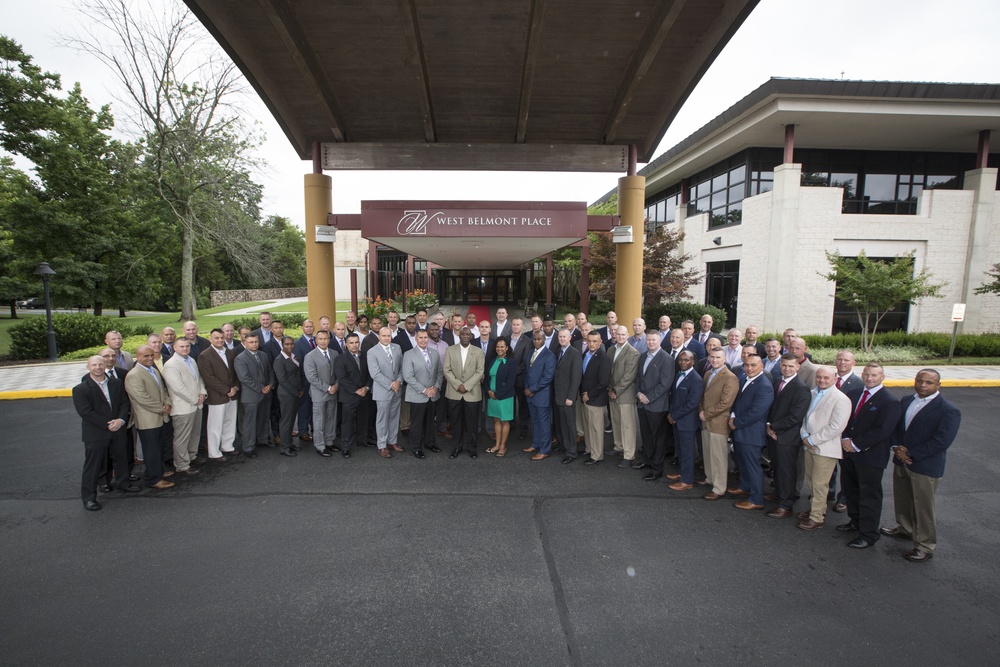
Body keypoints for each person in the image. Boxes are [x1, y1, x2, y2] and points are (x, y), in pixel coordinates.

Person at [882, 369, 961, 562]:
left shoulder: (948, 410)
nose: (923, 385)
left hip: (925, 466)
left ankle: (925, 545)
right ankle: (905, 528)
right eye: (920, 381)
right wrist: (896, 448)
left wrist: (911, 454)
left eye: (929, 382)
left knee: (923, 506)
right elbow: (897, 427)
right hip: (901, 460)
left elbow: (941, 441)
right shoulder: (907, 400)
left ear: (938, 386)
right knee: (903, 498)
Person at [838, 362, 902, 549]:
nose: (869, 378)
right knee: (851, 490)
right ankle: (855, 522)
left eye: (874, 375)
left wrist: (855, 444)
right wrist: (846, 440)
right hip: (849, 452)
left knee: (869, 496)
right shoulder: (854, 394)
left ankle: (868, 534)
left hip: (870, 457)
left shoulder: (890, 401)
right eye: (866, 374)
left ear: (882, 377)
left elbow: (883, 431)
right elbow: (846, 419)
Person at [73, 355, 137, 510]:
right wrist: (108, 424)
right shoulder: (80, 389)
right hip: (96, 434)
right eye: (94, 365)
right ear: (88, 367)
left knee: (121, 458)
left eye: (100, 364)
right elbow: (86, 413)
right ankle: (89, 497)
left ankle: (124, 484)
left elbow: (124, 403)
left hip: (118, 429)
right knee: (93, 466)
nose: (98, 367)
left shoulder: (116, 383)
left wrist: (121, 420)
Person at [796, 366, 852, 531]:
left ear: (834, 378)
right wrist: (804, 435)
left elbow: (836, 427)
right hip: (808, 443)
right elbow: (805, 418)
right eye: (819, 377)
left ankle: (817, 518)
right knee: (812, 481)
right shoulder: (813, 393)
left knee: (820, 484)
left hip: (825, 448)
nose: (821, 380)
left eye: (826, 378)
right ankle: (816, 508)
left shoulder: (841, 399)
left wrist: (812, 439)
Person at [764, 354, 811, 518]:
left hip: (787, 438)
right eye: (784, 365)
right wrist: (769, 426)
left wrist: (774, 427)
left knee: (787, 472)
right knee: (777, 468)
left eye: (791, 366)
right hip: (774, 434)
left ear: (797, 367)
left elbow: (795, 417)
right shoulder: (778, 381)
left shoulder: (801, 388)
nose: (787, 368)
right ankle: (778, 492)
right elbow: (773, 407)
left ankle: (786, 505)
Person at [124, 345, 175, 490]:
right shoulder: (134, 375)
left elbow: (163, 390)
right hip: (148, 420)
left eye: (151, 355)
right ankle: (154, 479)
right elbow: (141, 398)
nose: (149, 358)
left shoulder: (153, 370)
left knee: (158, 448)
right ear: (137, 357)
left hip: (160, 417)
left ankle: (155, 472)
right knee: (151, 450)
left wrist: (167, 402)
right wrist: (161, 408)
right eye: (145, 356)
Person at [727, 355, 774, 510]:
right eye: (746, 365)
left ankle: (756, 499)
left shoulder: (764, 386)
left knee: (753, 466)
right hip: (740, 431)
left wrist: (736, 423)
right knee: (742, 462)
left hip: (750, 434)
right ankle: (744, 486)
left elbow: (756, 412)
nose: (749, 368)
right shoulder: (744, 379)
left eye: (753, 365)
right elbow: (737, 402)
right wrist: (733, 416)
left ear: (762, 366)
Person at [161, 338, 207, 475]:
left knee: (195, 433)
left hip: (196, 404)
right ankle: (182, 465)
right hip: (183, 407)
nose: (185, 349)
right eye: (181, 346)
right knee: (182, 437)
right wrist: (195, 399)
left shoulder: (191, 360)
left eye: (187, 346)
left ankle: (192, 455)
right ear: (174, 348)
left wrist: (202, 393)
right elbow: (178, 387)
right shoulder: (171, 365)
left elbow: (198, 379)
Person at [699, 348, 739, 500]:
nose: (714, 360)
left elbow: (726, 403)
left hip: (718, 423)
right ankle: (710, 478)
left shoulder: (730, 378)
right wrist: (701, 411)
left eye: (718, 357)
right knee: (708, 453)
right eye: (712, 357)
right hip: (705, 420)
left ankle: (719, 488)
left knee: (719, 457)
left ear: (725, 359)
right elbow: (703, 396)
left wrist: (706, 414)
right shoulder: (708, 373)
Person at [635, 330, 674, 480]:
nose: (650, 342)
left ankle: (657, 469)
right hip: (642, 404)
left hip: (657, 406)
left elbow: (665, 384)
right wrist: (638, 394)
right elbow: (638, 378)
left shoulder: (666, 359)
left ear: (659, 341)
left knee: (658, 439)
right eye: (649, 340)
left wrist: (649, 398)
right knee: (646, 436)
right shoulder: (643, 356)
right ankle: (648, 461)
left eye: (654, 340)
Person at [197, 328, 240, 460]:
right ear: (210, 339)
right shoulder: (204, 355)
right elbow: (209, 378)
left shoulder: (230, 353)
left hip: (232, 394)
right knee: (215, 425)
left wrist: (235, 387)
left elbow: (235, 373)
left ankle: (227, 446)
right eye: (216, 338)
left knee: (230, 421)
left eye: (221, 338)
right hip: (217, 396)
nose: (220, 340)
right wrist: (226, 390)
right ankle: (214, 452)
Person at [402, 329, 445, 459]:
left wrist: (436, 387)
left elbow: (439, 372)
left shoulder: (434, 353)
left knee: (430, 422)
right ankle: (416, 447)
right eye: (420, 338)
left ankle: (429, 443)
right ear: (416, 339)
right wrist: (424, 390)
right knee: (416, 423)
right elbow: (408, 376)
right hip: (418, 395)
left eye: (425, 337)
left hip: (432, 395)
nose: (423, 340)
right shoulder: (409, 354)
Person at [444, 326, 485, 459]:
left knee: (472, 423)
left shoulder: (478, 352)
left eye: (468, 334)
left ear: (471, 336)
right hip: (454, 393)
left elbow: (480, 371)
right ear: (459, 335)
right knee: (456, 422)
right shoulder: (450, 350)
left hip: (472, 393)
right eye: (463, 334)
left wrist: (466, 386)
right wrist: (458, 385)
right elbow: (446, 370)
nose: (465, 336)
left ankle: (472, 448)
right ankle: (457, 447)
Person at [666, 350, 704, 490]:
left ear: (693, 362)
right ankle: (682, 473)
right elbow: (673, 396)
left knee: (688, 452)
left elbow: (691, 404)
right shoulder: (679, 375)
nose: (683, 362)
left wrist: (674, 416)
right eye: (681, 359)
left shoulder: (696, 379)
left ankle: (687, 481)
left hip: (686, 422)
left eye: (686, 360)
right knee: (680, 450)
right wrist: (671, 413)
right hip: (675, 419)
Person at [233, 333, 275, 458]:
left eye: (256, 341)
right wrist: (261, 388)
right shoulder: (240, 358)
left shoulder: (263, 355)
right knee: (249, 423)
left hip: (266, 393)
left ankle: (262, 440)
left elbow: (269, 371)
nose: (254, 344)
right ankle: (248, 447)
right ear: (245, 343)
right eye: (251, 342)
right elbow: (244, 378)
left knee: (263, 418)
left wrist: (271, 384)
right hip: (251, 395)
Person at [331, 332, 370, 458]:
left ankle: (362, 440)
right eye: (351, 343)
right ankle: (346, 447)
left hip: (364, 394)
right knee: (347, 423)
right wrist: (356, 390)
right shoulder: (340, 359)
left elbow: (370, 374)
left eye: (356, 342)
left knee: (363, 419)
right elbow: (342, 378)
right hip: (349, 396)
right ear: (346, 345)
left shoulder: (365, 356)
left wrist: (366, 387)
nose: (354, 345)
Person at [368, 327, 404, 458]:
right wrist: (391, 385)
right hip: (383, 390)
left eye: (389, 335)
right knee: (382, 419)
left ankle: (392, 441)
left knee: (394, 417)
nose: (386, 338)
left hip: (397, 389)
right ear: (379, 336)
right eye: (384, 336)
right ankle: (382, 445)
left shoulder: (397, 348)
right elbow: (375, 374)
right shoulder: (372, 352)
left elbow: (401, 368)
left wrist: (399, 381)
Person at [303, 330, 340, 457]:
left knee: (331, 418)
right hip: (319, 393)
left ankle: (329, 441)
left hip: (333, 392)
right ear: (316, 340)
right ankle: (320, 445)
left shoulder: (335, 354)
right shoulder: (310, 356)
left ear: (329, 339)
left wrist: (335, 386)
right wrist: (328, 388)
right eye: (320, 339)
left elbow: (338, 373)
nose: (323, 341)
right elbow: (312, 377)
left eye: (326, 338)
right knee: (319, 420)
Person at [608, 325, 640, 469]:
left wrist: (616, 390)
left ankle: (629, 454)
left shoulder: (633, 353)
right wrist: (609, 389)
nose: (619, 337)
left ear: (628, 335)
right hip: (612, 393)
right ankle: (618, 446)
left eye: (623, 334)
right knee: (616, 421)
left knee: (628, 425)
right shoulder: (610, 350)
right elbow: (607, 372)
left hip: (625, 394)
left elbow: (629, 376)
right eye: (617, 334)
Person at [522, 330, 557, 460]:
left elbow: (547, 378)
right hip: (530, 395)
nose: (536, 341)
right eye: (534, 339)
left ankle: (545, 450)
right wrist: (526, 388)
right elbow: (527, 372)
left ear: (544, 340)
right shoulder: (530, 352)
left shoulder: (549, 356)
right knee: (535, 422)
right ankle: (535, 444)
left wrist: (532, 389)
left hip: (541, 395)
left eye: (539, 339)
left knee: (544, 423)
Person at [579, 331, 611, 466]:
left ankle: (597, 455)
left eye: (594, 341)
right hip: (585, 397)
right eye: (589, 341)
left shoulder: (603, 358)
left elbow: (603, 382)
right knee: (587, 426)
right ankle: (589, 449)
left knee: (596, 428)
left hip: (595, 398)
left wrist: (589, 394)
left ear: (600, 342)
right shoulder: (586, 354)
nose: (591, 344)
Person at [553, 329, 583, 464]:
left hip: (567, 397)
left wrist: (571, 397)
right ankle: (563, 446)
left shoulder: (575, 354)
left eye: (564, 336)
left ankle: (572, 452)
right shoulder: (559, 351)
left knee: (569, 425)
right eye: (560, 336)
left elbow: (576, 378)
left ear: (570, 337)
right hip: (558, 395)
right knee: (560, 423)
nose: (562, 339)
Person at [484, 337, 517, 457]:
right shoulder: (492, 361)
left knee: (504, 421)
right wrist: (488, 391)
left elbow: (510, 382)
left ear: (507, 348)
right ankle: (497, 445)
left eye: (502, 346)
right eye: (498, 346)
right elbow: (487, 378)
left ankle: (503, 446)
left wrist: (497, 394)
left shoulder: (512, 362)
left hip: (504, 397)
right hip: (491, 396)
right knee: (496, 420)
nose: (499, 349)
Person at [272, 336, 304, 457]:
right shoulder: (279, 360)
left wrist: (301, 389)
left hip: (296, 393)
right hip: (287, 395)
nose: (289, 346)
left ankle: (289, 443)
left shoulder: (294, 357)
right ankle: (284, 447)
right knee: (286, 421)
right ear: (282, 345)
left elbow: (298, 374)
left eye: (291, 344)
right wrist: (296, 392)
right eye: (287, 344)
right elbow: (282, 380)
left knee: (291, 420)